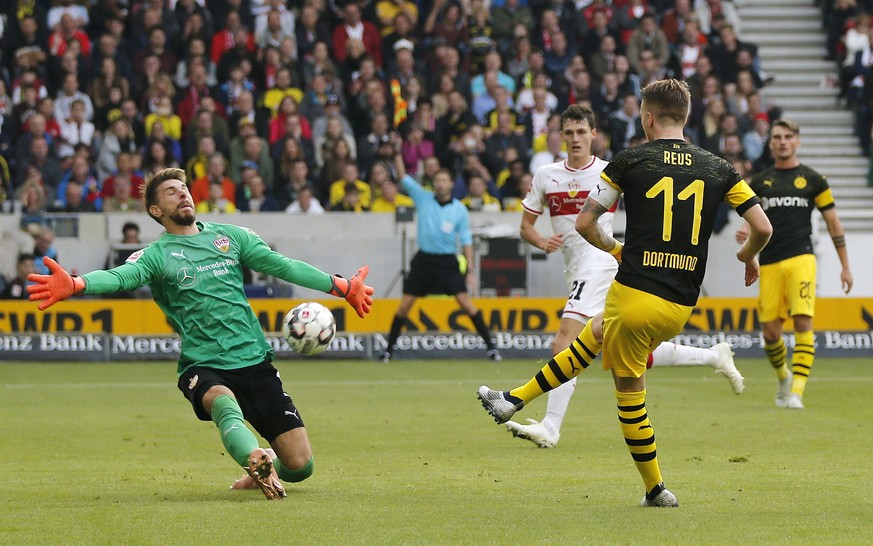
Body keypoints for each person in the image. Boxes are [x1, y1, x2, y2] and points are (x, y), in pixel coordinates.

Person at [478, 79, 773, 507]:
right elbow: (762, 228)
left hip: (634, 288)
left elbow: (584, 224)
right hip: (681, 302)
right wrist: (748, 256)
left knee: (629, 389)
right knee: (595, 333)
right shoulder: (718, 167)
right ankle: (513, 399)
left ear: (647, 117)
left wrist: (617, 248)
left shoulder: (629, 161)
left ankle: (656, 489)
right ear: (686, 117)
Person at [26, 167, 375, 501]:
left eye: (184, 189)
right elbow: (119, 277)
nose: (182, 194)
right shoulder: (156, 256)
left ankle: (267, 461)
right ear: (155, 209)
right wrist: (77, 283)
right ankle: (253, 458)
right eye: (170, 192)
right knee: (223, 404)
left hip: (255, 361)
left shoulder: (232, 237)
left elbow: (282, 266)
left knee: (300, 467)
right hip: (204, 364)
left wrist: (342, 285)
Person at [505, 104, 746, 449]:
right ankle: (712, 356)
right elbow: (526, 227)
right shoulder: (546, 175)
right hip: (574, 267)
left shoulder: (613, 169)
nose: (575, 139)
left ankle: (550, 426)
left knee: (564, 341)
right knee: (622, 345)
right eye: (568, 132)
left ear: (593, 135)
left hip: (602, 261)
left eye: (581, 132)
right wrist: (543, 240)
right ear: (559, 136)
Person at [736, 119, 853, 410]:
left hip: (803, 258)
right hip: (770, 261)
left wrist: (845, 266)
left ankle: (797, 393)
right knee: (770, 334)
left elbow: (834, 223)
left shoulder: (814, 180)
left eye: (788, 136)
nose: (783, 141)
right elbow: (750, 222)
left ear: (797, 141)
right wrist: (746, 233)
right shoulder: (760, 182)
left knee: (803, 322)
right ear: (771, 143)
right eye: (777, 137)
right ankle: (783, 377)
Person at [380, 139, 502, 363]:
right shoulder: (423, 197)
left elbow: (465, 240)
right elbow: (403, 177)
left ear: (451, 184)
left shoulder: (459, 210)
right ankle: (388, 350)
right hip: (424, 260)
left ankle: (491, 348)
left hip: (447, 262)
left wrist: (471, 271)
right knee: (405, 304)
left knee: (466, 303)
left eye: (445, 180)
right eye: (438, 180)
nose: (441, 184)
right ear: (434, 183)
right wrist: (397, 151)